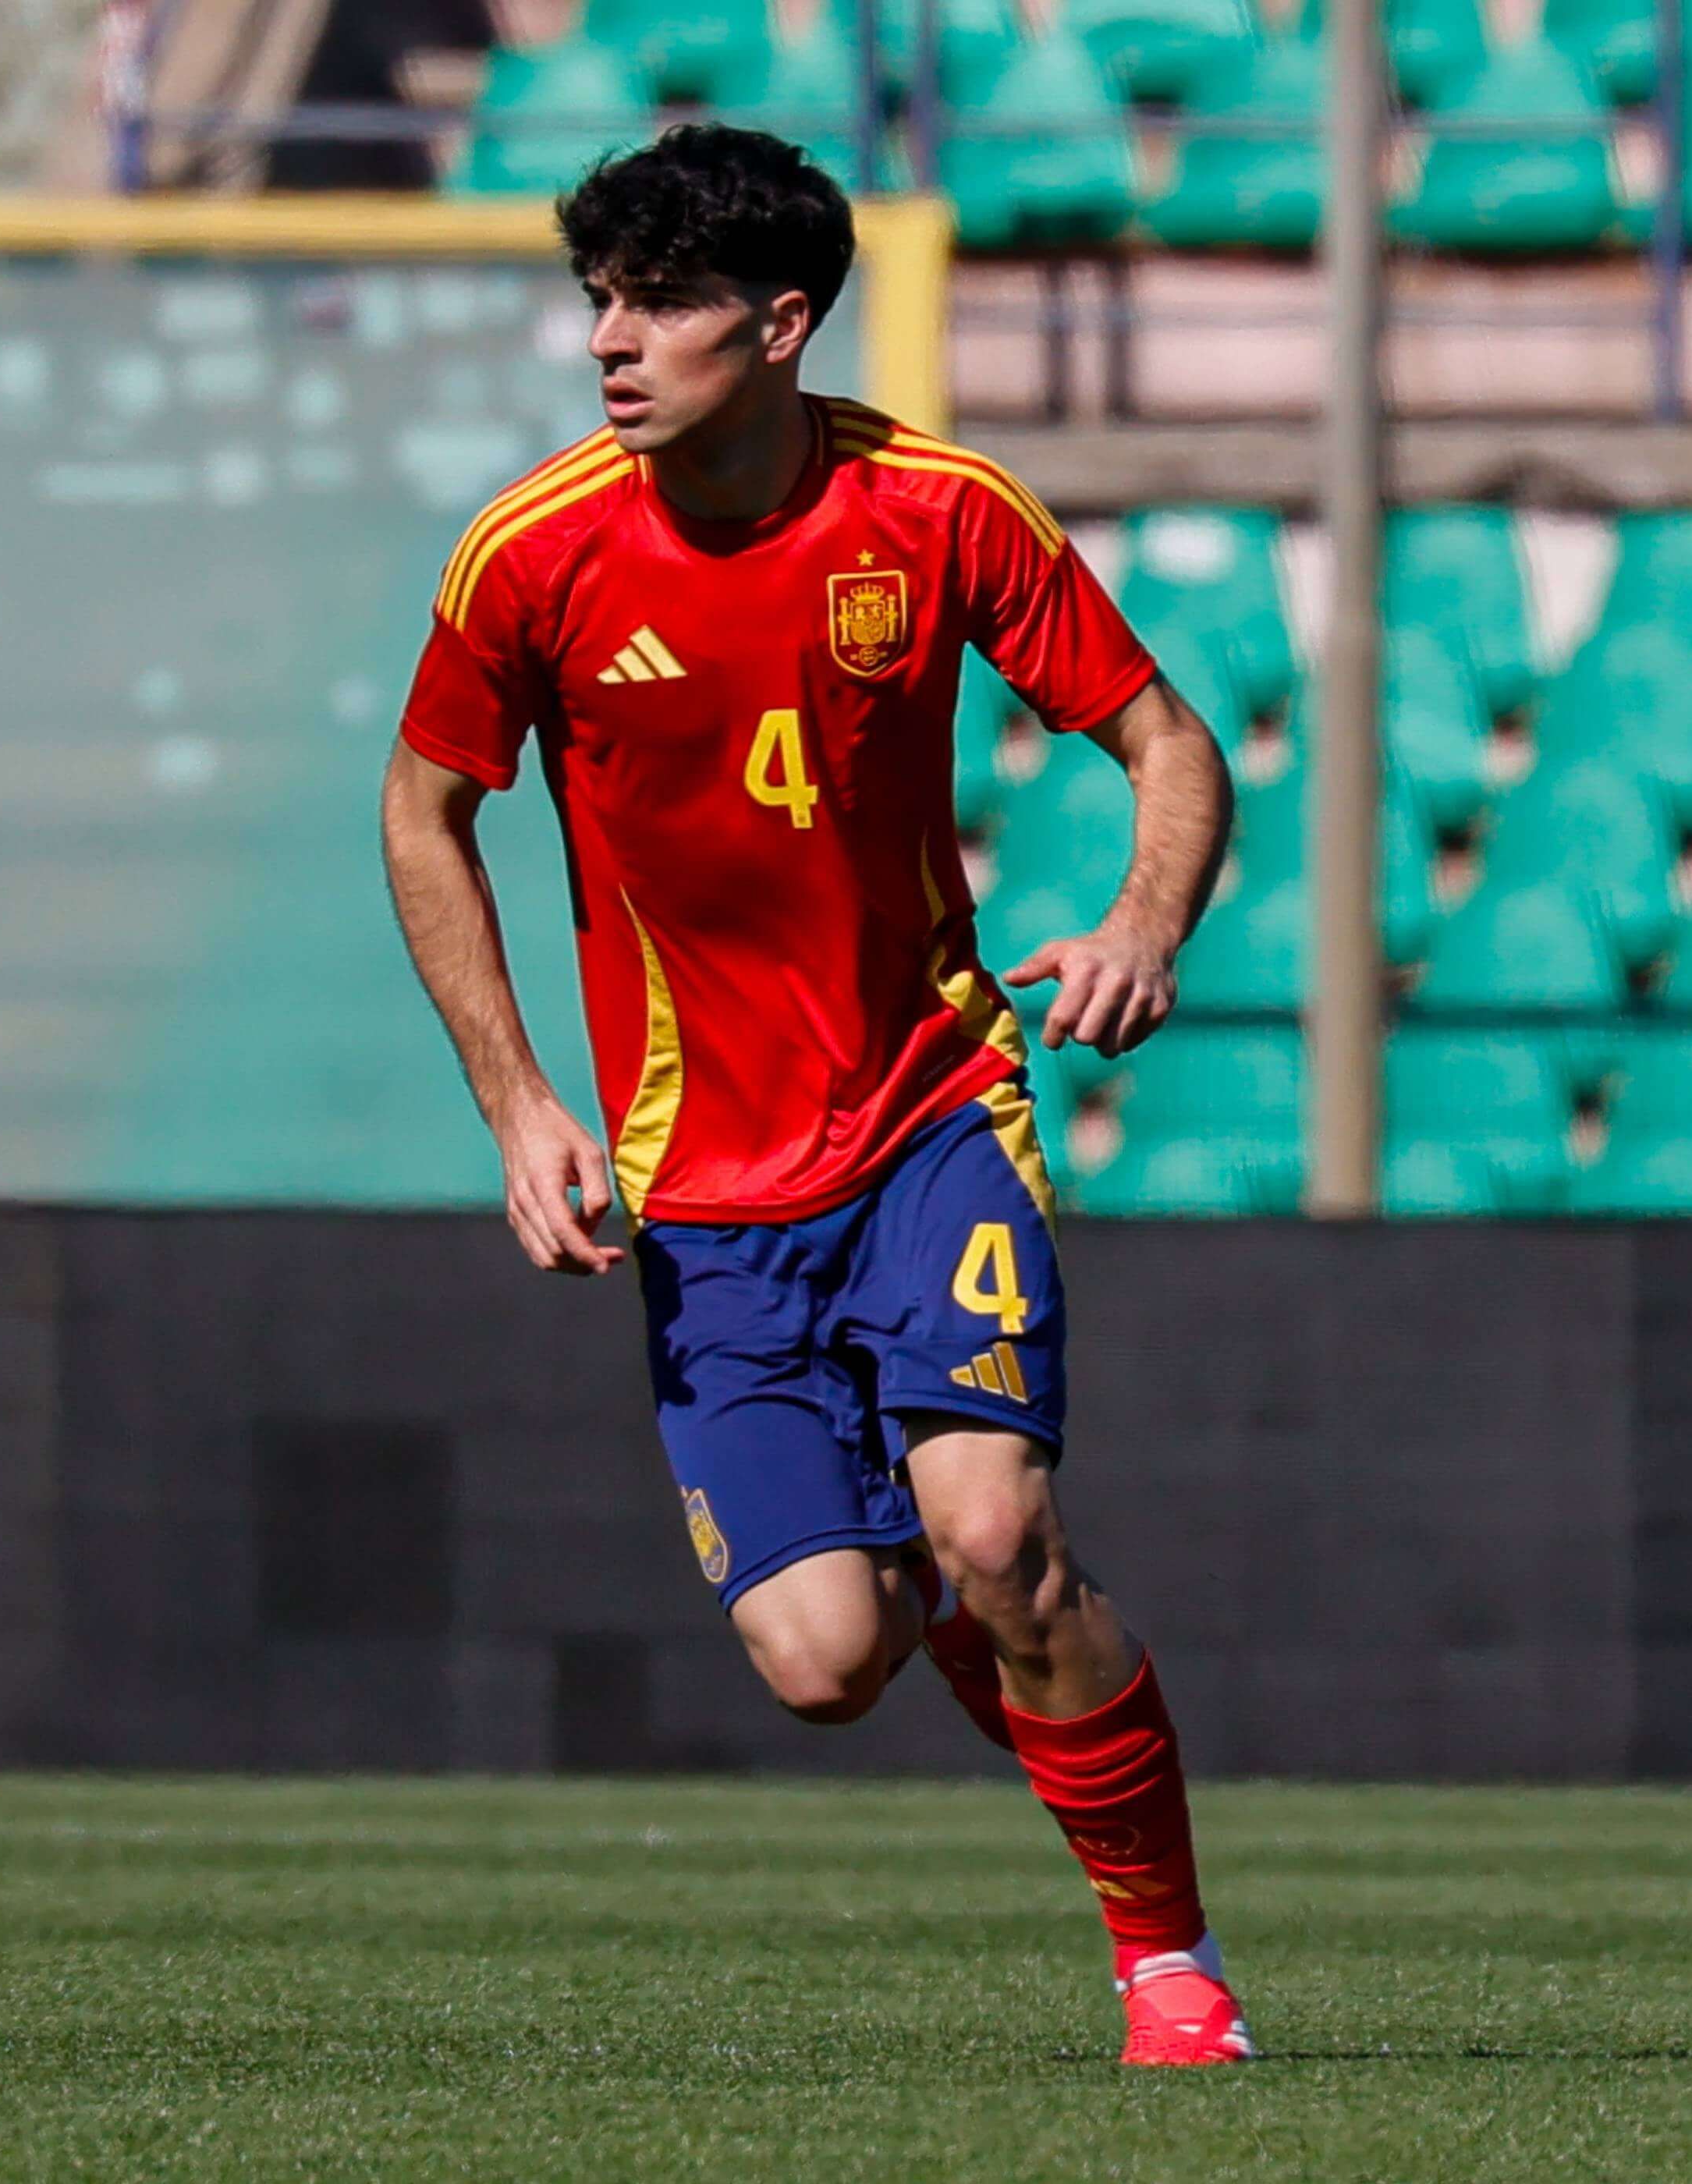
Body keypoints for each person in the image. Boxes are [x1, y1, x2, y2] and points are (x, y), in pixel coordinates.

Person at [378, 123, 1251, 2066]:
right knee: (823, 1664)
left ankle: (1172, 1967)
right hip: (706, 1182)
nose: (614, 337)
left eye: (662, 300)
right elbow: (424, 807)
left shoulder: (939, 513)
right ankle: (962, 1621)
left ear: (778, 325)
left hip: (935, 1109)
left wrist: (1140, 920)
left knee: (1006, 1531)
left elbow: (1167, 740)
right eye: (599, 295)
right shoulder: (534, 552)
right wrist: (519, 1102)